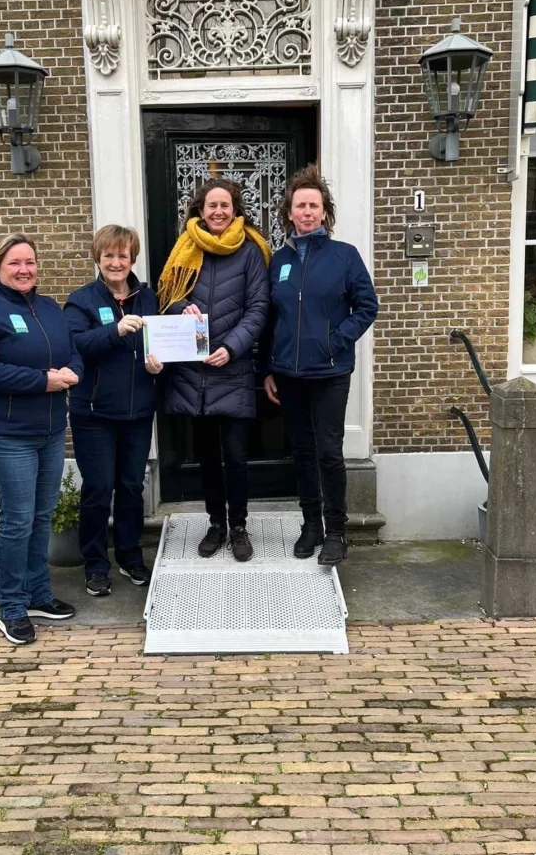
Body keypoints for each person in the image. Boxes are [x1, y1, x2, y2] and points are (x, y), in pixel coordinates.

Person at [0, 232, 83, 646]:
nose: (24, 269)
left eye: (30, 262)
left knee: (41, 516)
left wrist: (73, 371)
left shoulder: (48, 308)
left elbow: (72, 350)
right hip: (4, 434)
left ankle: (38, 593)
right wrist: (42, 381)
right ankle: (11, 604)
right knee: (17, 520)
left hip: (48, 431)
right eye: (15, 263)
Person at [263, 165, 378, 566]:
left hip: (329, 373)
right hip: (289, 376)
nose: (308, 211)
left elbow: (367, 307)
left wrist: (336, 340)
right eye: (300, 205)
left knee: (329, 451)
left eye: (314, 205)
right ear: (290, 213)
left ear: (324, 212)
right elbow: (269, 317)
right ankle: (311, 525)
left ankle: (337, 531)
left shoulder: (345, 256)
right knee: (302, 451)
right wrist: (268, 368)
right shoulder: (279, 261)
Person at [156, 178, 270, 562]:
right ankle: (215, 525)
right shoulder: (185, 248)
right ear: (200, 211)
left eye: (225, 205)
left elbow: (259, 308)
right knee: (206, 457)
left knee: (236, 456)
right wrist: (179, 308)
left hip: (232, 369)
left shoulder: (251, 252)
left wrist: (231, 347)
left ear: (235, 210)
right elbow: (167, 296)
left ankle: (238, 526)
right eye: (211, 206)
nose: (218, 212)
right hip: (193, 373)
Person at [64, 225, 160, 598]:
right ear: (98, 259)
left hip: (138, 411)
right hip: (94, 413)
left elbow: (158, 342)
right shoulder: (81, 301)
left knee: (132, 487)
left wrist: (158, 365)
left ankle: (130, 555)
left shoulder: (147, 298)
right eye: (109, 256)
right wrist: (115, 330)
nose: (116, 262)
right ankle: (95, 563)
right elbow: (75, 344)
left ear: (132, 259)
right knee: (99, 488)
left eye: (122, 255)